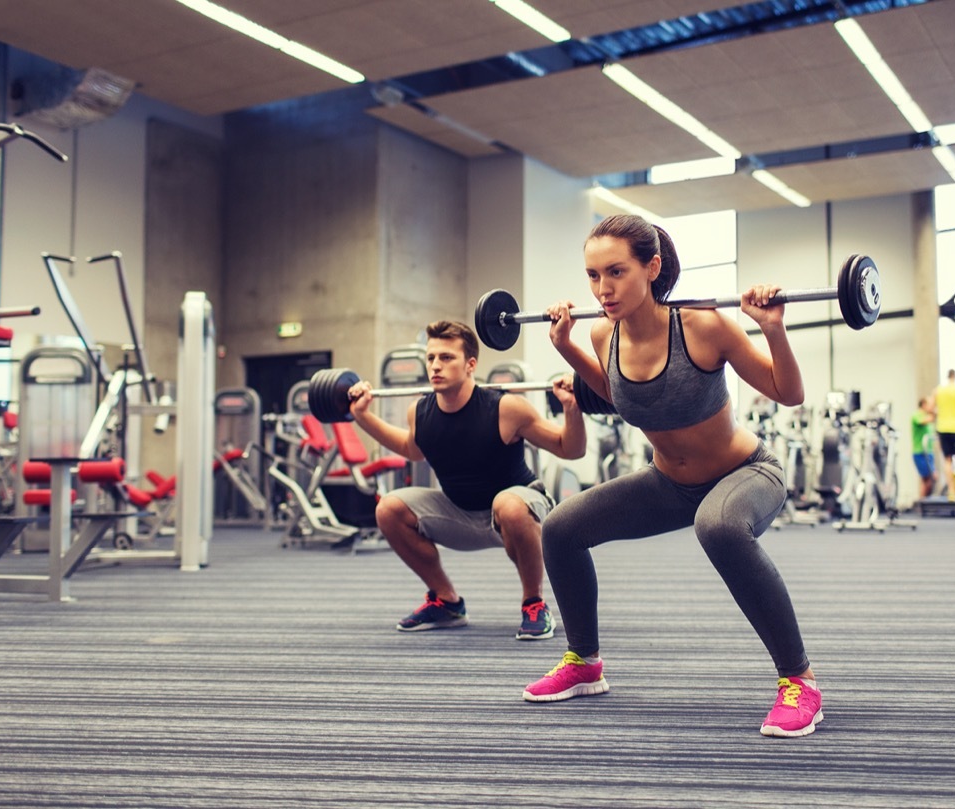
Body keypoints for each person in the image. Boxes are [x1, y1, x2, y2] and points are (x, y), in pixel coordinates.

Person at [525, 213, 822, 739]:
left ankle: (800, 681)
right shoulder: (602, 333)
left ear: (652, 267)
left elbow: (787, 392)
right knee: (561, 527)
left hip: (745, 473)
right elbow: (622, 398)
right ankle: (584, 662)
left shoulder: (704, 327)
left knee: (720, 527)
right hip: (669, 484)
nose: (602, 288)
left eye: (615, 272)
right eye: (593, 276)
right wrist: (566, 346)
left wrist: (772, 328)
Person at [346, 320, 587, 640]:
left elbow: (570, 450)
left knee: (508, 505)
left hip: (518, 510)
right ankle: (446, 601)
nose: (435, 366)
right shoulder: (420, 411)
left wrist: (572, 408)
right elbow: (411, 449)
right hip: (460, 512)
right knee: (388, 508)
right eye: (431, 358)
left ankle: (534, 603)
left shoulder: (506, 407)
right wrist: (362, 416)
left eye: (446, 358)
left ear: (470, 364)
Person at [927, 369, 955, 502]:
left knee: (947, 460)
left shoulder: (937, 391)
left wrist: (939, 413)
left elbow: (929, 408)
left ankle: (952, 492)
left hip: (943, 427)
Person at [911, 398, 937, 501]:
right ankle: (922, 502)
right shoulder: (917, 415)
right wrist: (935, 413)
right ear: (924, 405)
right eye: (930, 404)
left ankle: (924, 501)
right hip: (920, 452)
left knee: (929, 479)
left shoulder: (928, 418)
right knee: (928, 478)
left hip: (928, 452)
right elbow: (924, 421)